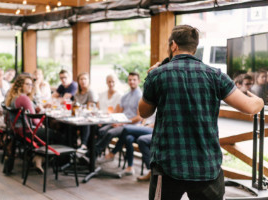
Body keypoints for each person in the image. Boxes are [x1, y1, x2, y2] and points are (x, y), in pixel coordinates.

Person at [139, 25, 264, 200]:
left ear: (173, 45)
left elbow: (143, 112)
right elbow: (250, 107)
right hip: (206, 167)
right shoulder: (215, 75)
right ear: (194, 47)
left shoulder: (158, 75)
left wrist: (150, 79)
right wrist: (260, 101)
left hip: (167, 165)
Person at [5, 74, 54, 173]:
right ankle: (49, 160)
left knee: (50, 132)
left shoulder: (14, 97)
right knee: (56, 134)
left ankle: (38, 157)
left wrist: (36, 108)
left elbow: (26, 111)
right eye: (27, 84)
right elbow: (34, 120)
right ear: (20, 85)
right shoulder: (24, 98)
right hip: (28, 131)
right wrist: (42, 125)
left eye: (31, 85)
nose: (30, 87)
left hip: (18, 131)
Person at [95, 72, 142, 157]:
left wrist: (123, 123)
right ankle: (95, 154)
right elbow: (120, 112)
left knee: (110, 133)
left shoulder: (140, 96)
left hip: (131, 125)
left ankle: (93, 154)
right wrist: (116, 121)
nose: (131, 82)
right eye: (130, 80)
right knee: (101, 130)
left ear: (139, 81)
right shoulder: (125, 96)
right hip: (121, 123)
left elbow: (139, 117)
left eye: (134, 80)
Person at [74, 72, 98, 150]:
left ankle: (83, 145)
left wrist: (79, 108)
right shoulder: (77, 93)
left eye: (85, 79)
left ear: (88, 81)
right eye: (81, 79)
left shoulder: (90, 92)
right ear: (78, 81)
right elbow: (74, 106)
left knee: (85, 122)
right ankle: (72, 145)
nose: (83, 81)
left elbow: (89, 108)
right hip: (78, 117)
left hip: (89, 118)